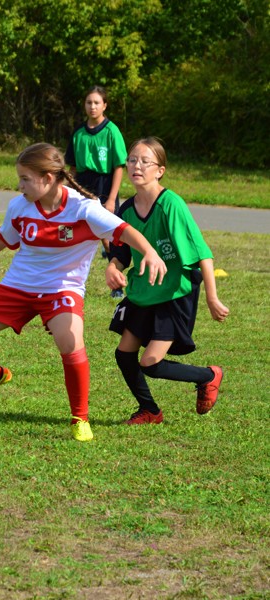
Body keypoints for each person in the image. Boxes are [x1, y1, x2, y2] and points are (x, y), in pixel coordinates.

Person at [0, 143, 166, 442]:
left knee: (70, 341)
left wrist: (150, 252)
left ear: (48, 178)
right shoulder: (19, 206)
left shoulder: (84, 209)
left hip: (62, 290)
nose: (19, 185)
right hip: (17, 287)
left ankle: (80, 418)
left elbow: (124, 230)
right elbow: (3, 236)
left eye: (25, 178)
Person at [106, 137, 229, 425]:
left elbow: (202, 254)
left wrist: (212, 297)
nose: (136, 166)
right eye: (132, 160)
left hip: (174, 294)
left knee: (151, 363)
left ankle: (209, 376)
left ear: (160, 170)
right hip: (143, 292)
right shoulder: (126, 209)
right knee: (124, 354)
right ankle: (149, 410)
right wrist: (113, 267)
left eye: (144, 161)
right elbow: (121, 251)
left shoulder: (171, 204)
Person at [65, 85, 127, 294]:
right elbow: (72, 169)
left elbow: (119, 167)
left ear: (105, 105)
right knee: (71, 230)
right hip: (82, 184)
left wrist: (111, 199)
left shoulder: (111, 131)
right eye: (89, 102)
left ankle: (117, 285)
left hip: (104, 184)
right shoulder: (78, 132)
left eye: (97, 102)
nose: (92, 106)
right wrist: (64, 191)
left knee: (110, 238)